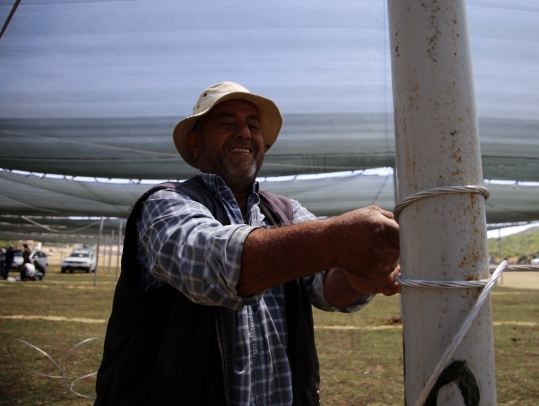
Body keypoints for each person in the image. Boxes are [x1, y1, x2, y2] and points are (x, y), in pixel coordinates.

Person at [95, 82, 401, 406]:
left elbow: (327, 288)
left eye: (253, 126)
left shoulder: (287, 212)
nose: (244, 132)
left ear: (263, 145)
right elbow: (210, 267)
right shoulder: (164, 203)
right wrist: (333, 241)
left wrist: (360, 274)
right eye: (227, 123)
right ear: (195, 142)